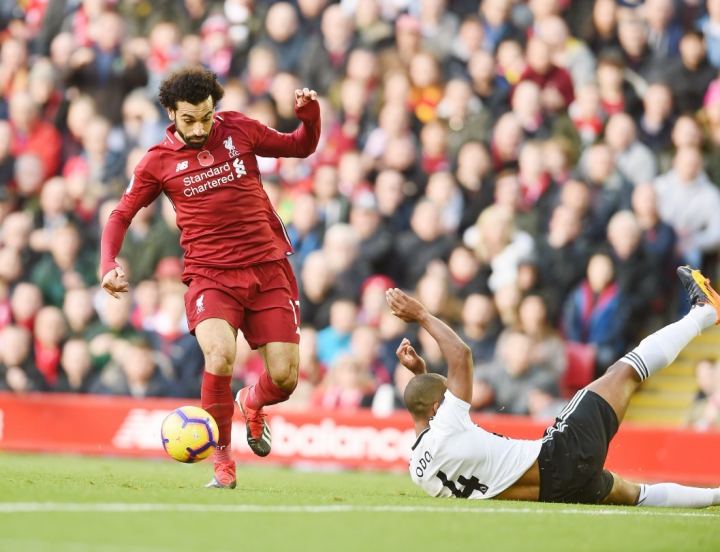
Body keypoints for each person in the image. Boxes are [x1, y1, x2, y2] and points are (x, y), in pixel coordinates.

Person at [100, 67, 321, 490]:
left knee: (285, 378)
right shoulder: (156, 162)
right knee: (219, 355)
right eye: (189, 119)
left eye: (206, 116)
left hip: (268, 267)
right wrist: (109, 261)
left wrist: (309, 115)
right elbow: (121, 214)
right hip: (210, 276)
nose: (200, 127)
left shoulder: (239, 128)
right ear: (170, 112)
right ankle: (223, 460)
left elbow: (300, 146)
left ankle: (252, 402)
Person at [386, 265, 720, 507]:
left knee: (637, 494)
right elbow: (461, 355)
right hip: (558, 454)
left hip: (558, 494)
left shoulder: (418, 469)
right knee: (625, 371)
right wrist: (422, 316)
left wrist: (421, 374)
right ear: (438, 407)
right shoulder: (447, 424)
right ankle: (705, 312)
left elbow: (427, 412)